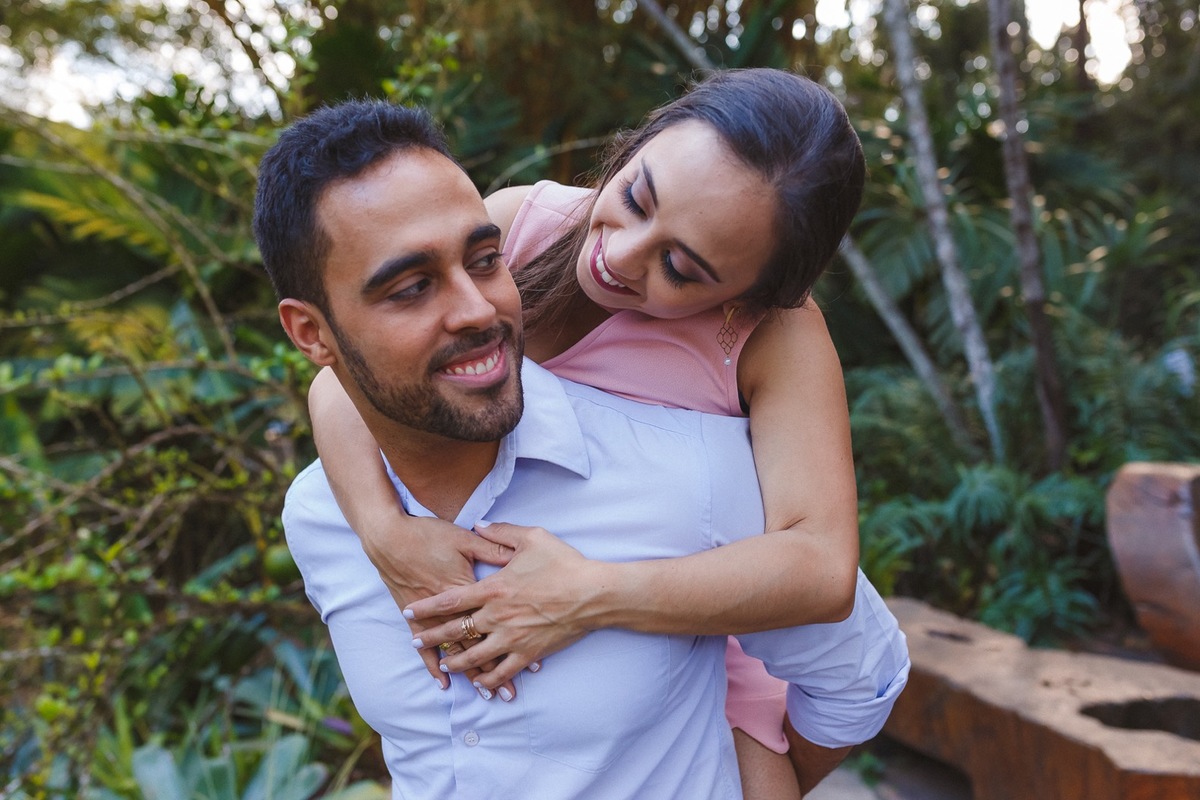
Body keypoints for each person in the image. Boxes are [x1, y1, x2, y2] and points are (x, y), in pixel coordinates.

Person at [254, 98, 908, 799]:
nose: (620, 255)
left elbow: (821, 569)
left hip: (710, 608)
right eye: (636, 197)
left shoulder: (767, 341)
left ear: (754, 293)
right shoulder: (519, 225)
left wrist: (592, 595)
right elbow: (348, 380)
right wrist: (385, 531)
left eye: (682, 267)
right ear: (633, 145)